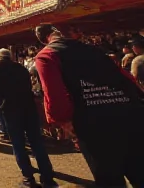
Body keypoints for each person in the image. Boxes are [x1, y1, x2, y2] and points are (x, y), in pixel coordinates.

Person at [35, 24, 144, 187]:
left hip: (94, 125)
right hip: (130, 114)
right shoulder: (92, 49)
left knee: (110, 180)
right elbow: (127, 79)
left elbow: (54, 94)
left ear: (43, 40)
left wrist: (62, 121)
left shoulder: (46, 55)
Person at [0, 48, 57, 188]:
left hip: (11, 109)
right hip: (28, 107)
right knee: (36, 142)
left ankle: (28, 177)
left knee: (18, 143)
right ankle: (47, 177)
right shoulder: (20, 67)